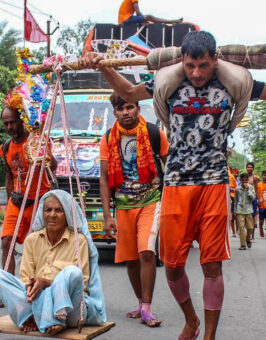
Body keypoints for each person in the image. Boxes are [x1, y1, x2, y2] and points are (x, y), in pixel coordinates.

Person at [82, 30, 266, 340]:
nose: (196, 73)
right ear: (182, 62)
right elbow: (129, 93)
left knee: (212, 266)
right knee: (171, 267)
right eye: (190, 66)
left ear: (214, 60)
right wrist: (101, 65)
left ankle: (208, 335)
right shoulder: (169, 84)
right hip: (175, 184)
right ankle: (191, 319)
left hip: (213, 183)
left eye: (203, 66)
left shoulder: (233, 84)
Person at [0, 190, 106, 335]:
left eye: (59, 210)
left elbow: (82, 282)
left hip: (71, 309)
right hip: (37, 302)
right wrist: (32, 286)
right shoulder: (32, 240)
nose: (52, 215)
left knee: (73, 272)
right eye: (48, 210)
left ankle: (58, 317)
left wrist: (47, 282)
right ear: (42, 213)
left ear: (67, 214)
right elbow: (25, 278)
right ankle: (31, 316)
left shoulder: (78, 240)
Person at [99, 93, 168, 327]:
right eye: (121, 109)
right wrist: (107, 216)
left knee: (146, 252)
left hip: (151, 200)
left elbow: (171, 167)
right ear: (114, 112)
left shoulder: (155, 133)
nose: (125, 112)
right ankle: (140, 302)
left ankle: (147, 308)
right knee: (130, 258)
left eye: (130, 107)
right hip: (123, 205)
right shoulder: (108, 138)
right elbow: (104, 176)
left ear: (138, 108)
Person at [0, 103, 57, 277]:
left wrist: (43, 155)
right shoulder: (6, 147)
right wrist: (11, 200)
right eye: (6, 123)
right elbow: (9, 177)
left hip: (38, 201)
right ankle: (7, 287)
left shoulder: (36, 141)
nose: (9, 127)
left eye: (12, 122)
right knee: (6, 242)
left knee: (37, 246)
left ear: (21, 120)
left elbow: (53, 165)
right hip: (16, 203)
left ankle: (36, 285)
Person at [118, 0, 183, 25]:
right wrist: (145, 20)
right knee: (149, 16)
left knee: (148, 18)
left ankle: (170, 21)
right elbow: (138, 13)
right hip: (126, 19)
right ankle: (170, 21)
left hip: (125, 19)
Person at [235, 173, 255, 250]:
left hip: (248, 210)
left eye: (246, 180)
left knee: (250, 227)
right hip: (240, 210)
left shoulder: (251, 188)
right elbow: (236, 200)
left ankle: (247, 239)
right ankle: (242, 245)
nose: (244, 182)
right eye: (243, 180)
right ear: (241, 180)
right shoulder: (237, 189)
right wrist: (235, 211)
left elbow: (252, 198)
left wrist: (248, 190)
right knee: (242, 228)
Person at [246, 162, 259, 240]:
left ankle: (253, 236)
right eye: (248, 167)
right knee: (246, 216)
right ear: (246, 168)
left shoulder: (255, 178)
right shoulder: (243, 177)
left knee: (253, 217)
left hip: (253, 199)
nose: (249, 168)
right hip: (245, 199)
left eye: (251, 167)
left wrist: (258, 199)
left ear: (253, 168)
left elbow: (257, 189)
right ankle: (247, 235)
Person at [228, 163, 238, 237]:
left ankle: (237, 231)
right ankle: (234, 232)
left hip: (233, 198)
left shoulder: (230, 177)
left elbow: (233, 188)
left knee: (235, 215)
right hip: (229, 198)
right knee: (232, 216)